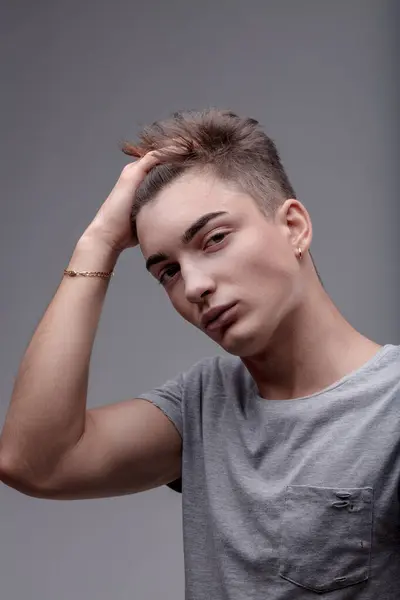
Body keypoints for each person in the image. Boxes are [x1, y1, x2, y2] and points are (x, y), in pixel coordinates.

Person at [0, 108, 399, 599]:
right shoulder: (203, 405)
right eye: (167, 270)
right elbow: (33, 462)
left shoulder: (390, 406)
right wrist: (97, 243)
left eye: (214, 239)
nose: (194, 286)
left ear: (294, 226)